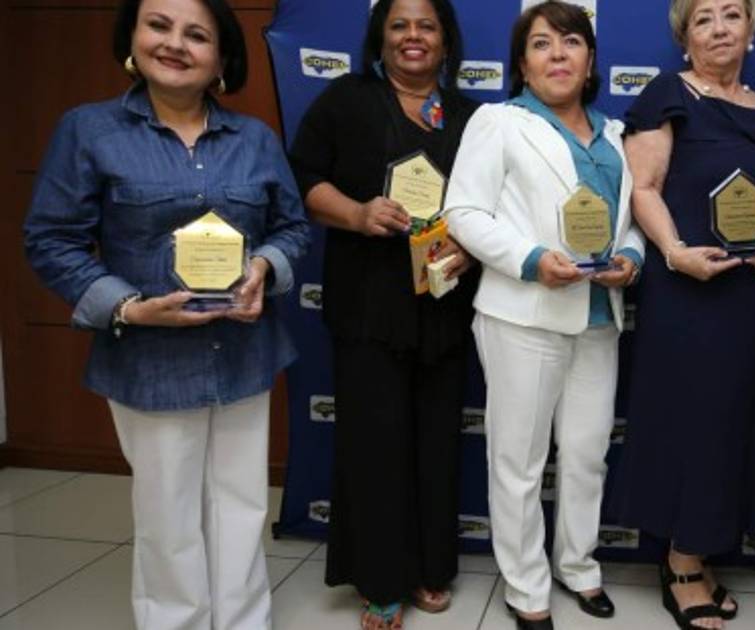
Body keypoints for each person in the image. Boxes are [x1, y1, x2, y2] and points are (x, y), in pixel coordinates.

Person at [22, 0, 309, 628]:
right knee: (167, 513)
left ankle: (243, 620)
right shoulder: (89, 130)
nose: (175, 43)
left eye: (196, 35)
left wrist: (264, 267)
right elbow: (50, 239)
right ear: (132, 37)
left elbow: (291, 228)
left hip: (244, 349)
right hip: (148, 358)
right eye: (159, 25)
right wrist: (127, 306)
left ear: (221, 58)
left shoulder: (255, 140)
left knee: (240, 505)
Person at [442, 3, 643, 629]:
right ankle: (526, 583)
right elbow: (464, 212)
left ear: (590, 60)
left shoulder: (616, 134)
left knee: (586, 454)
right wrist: (531, 260)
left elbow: (632, 218)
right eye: (540, 44)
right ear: (522, 65)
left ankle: (578, 565)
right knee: (519, 460)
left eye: (571, 42)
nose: (557, 54)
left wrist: (632, 258)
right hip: (522, 314)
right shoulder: (499, 122)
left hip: (598, 316)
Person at [287, 0, 478, 627]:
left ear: (445, 40)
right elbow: (303, 178)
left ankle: (429, 567)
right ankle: (380, 577)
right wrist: (357, 213)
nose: (413, 36)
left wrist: (471, 248)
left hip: (443, 303)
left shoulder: (471, 116)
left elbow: (491, 207)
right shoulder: (346, 100)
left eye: (426, 25)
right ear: (380, 37)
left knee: (435, 442)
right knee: (375, 443)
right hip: (368, 302)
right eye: (399, 25)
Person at [613, 1, 755, 629]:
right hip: (684, 289)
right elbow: (643, 188)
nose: (720, 28)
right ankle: (681, 563)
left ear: (751, 30)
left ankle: (700, 550)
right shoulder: (669, 94)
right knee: (688, 420)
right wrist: (673, 251)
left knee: (727, 422)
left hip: (745, 295)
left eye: (732, 15)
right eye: (704, 18)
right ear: (685, 37)